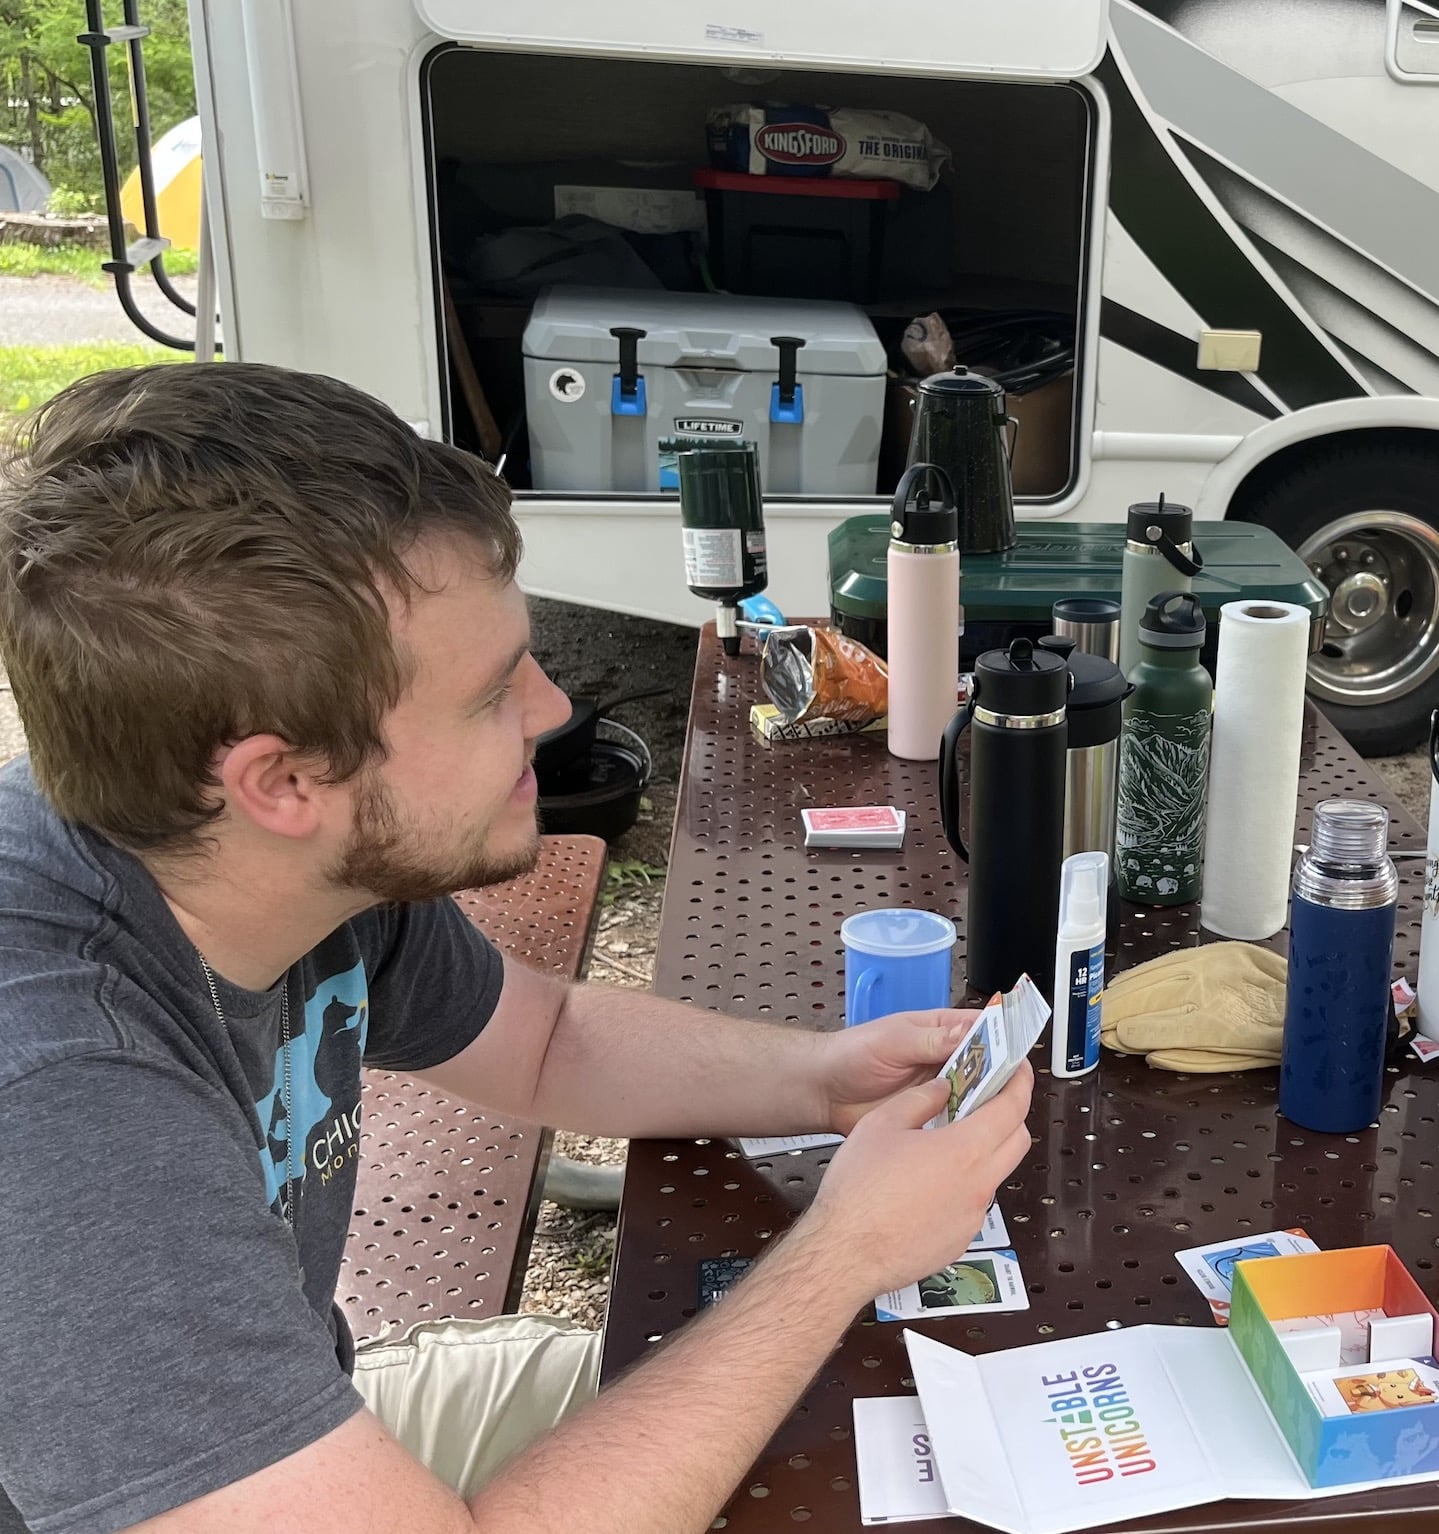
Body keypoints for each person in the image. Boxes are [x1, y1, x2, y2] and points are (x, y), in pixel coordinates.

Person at [0, 362, 1033, 1534]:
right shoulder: (61, 1109)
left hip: (300, 1442)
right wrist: (841, 1249)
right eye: (492, 692)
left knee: (853, 1426)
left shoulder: (268, 854)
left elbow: (544, 1039)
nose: (550, 709)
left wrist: (819, 1078)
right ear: (282, 781)